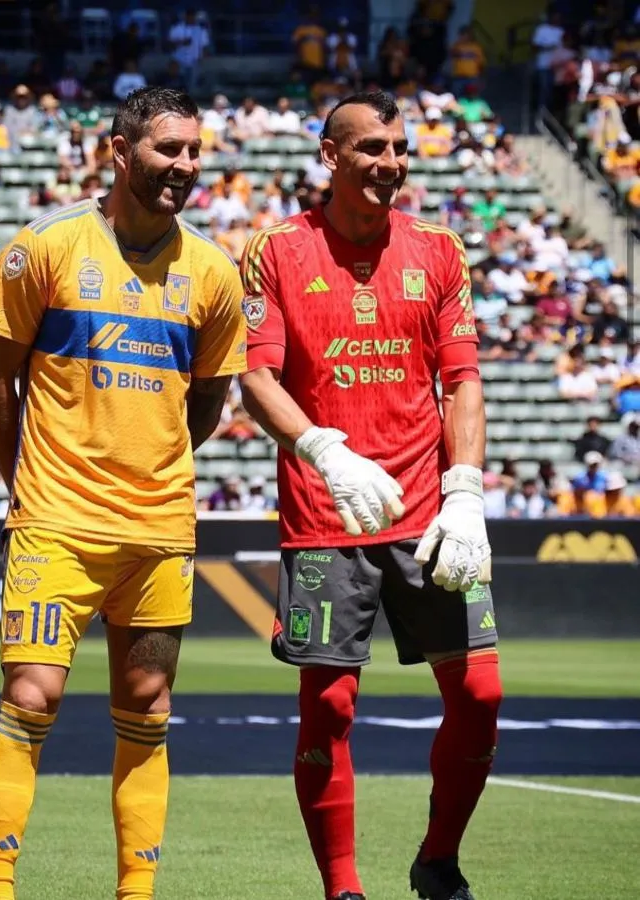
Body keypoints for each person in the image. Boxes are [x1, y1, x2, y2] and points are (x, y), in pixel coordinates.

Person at [0, 86, 246, 900]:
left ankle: (136, 892)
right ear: (118, 151)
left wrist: (154, 469)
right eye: (169, 149)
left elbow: (206, 401)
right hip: (56, 519)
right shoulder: (43, 249)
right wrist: (25, 480)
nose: (186, 166)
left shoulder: (213, 273)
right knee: (32, 696)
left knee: (148, 707)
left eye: (195, 151)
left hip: (159, 530)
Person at [239, 91, 498, 900]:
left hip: (429, 514)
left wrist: (465, 489)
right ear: (329, 154)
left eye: (398, 147)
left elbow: (461, 380)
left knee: (481, 695)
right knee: (331, 710)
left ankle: (436, 859)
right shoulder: (276, 249)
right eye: (370, 148)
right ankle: (342, 890)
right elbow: (255, 378)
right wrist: (320, 449)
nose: (389, 162)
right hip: (328, 514)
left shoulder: (439, 248)